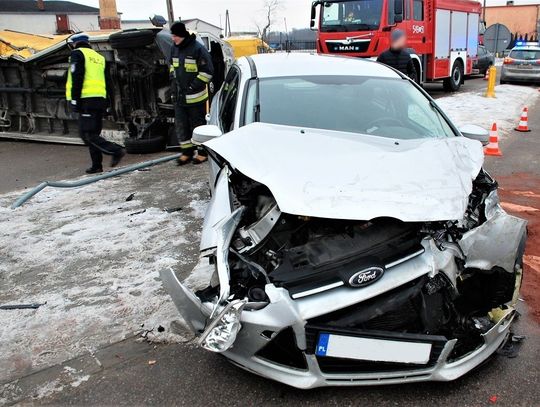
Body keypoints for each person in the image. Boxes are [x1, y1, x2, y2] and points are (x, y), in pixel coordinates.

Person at [66, 33, 125, 174]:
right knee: (93, 133)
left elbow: (77, 78)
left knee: (86, 135)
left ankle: (116, 150)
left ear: (74, 44)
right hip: (99, 100)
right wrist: (108, 103)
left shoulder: (77, 54)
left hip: (86, 100)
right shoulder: (99, 58)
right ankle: (96, 165)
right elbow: (108, 82)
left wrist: (75, 100)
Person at [169, 22, 214, 165]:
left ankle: (202, 152)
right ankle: (187, 152)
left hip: (196, 97)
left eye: (175, 35)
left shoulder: (197, 49)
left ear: (182, 35)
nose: (173, 38)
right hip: (179, 98)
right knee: (181, 125)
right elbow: (172, 67)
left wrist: (192, 87)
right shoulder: (174, 49)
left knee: (198, 126)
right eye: (172, 35)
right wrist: (173, 83)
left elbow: (207, 72)